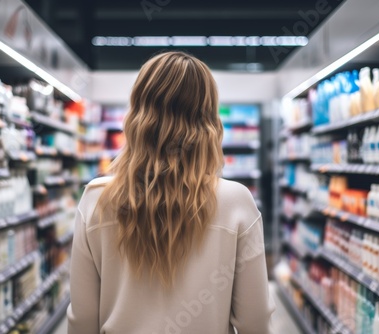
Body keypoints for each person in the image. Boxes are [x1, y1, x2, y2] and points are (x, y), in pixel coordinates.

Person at [67, 51, 274, 334]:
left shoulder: (97, 200)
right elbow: (255, 322)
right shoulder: (236, 202)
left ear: (137, 114)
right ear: (209, 121)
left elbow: (82, 321)